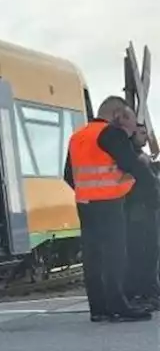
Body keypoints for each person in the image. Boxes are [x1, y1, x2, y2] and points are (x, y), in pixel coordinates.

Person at [63, 96, 157, 321]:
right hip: (110, 203)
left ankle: (99, 309)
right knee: (115, 255)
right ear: (117, 115)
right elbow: (132, 165)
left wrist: (88, 190)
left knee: (93, 256)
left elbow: (68, 175)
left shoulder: (78, 136)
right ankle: (119, 307)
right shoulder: (111, 134)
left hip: (85, 204)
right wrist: (154, 196)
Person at [123, 122, 160, 309]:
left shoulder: (142, 155)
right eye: (141, 133)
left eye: (146, 133)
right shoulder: (133, 156)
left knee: (151, 252)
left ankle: (151, 292)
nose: (145, 136)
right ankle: (143, 294)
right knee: (142, 252)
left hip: (147, 208)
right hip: (139, 210)